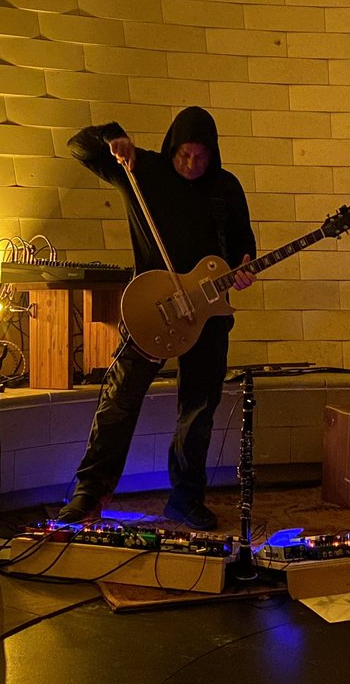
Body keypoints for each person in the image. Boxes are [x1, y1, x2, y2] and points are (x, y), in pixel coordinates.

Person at [56, 106, 256, 530]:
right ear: (172, 148)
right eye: (185, 154)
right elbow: (78, 146)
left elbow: (244, 245)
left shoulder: (226, 187)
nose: (191, 165)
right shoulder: (142, 170)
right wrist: (114, 138)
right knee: (119, 400)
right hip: (151, 310)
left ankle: (186, 499)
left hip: (208, 315)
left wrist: (244, 268)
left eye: (201, 157)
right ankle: (89, 493)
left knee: (198, 409)